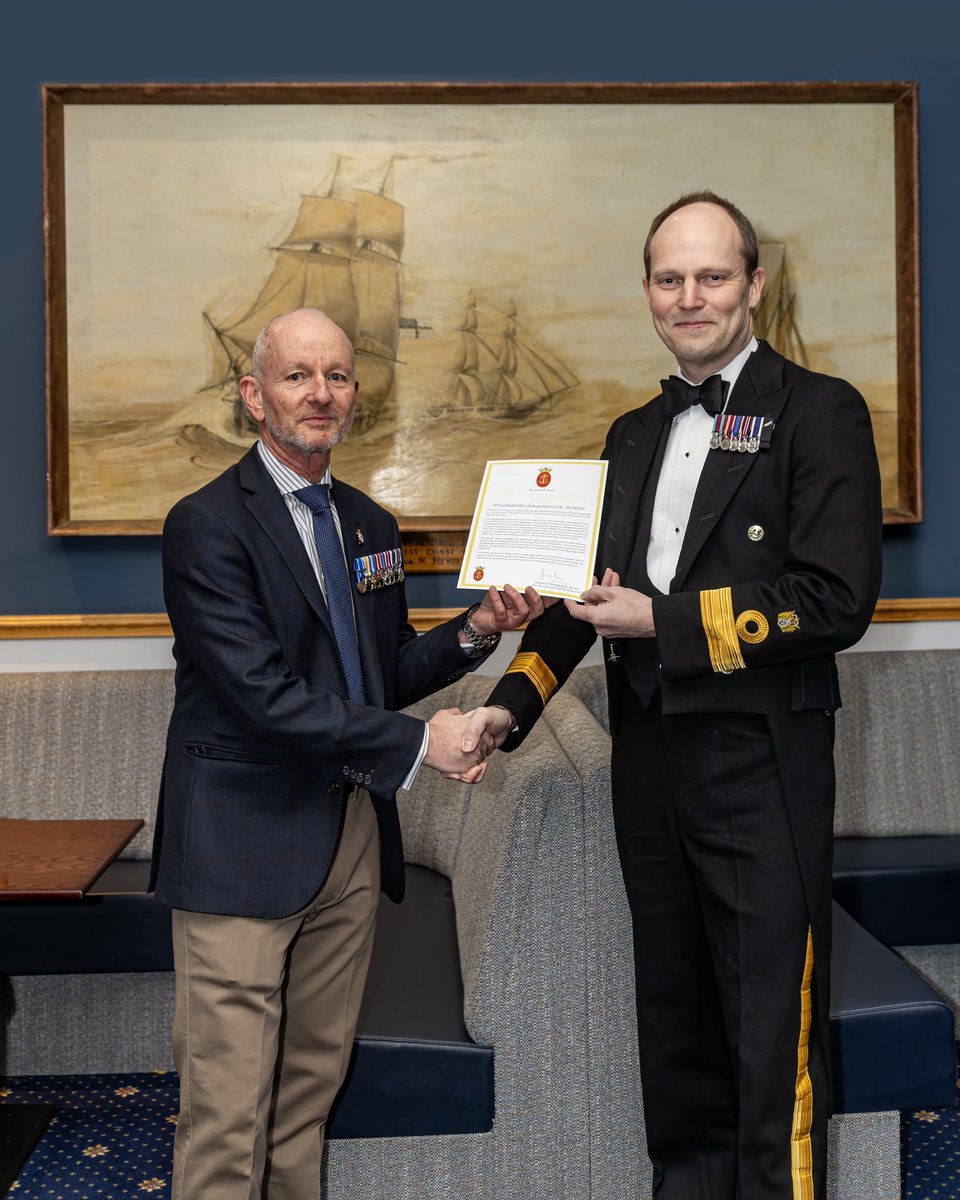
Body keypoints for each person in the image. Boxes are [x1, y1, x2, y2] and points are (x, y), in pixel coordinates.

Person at [465, 192, 883, 1199]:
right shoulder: (633, 432)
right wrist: (507, 707)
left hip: (760, 761)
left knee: (764, 1031)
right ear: (648, 290)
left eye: (711, 276)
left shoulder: (819, 413)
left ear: (754, 285)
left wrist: (670, 623)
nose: (689, 297)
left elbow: (835, 601)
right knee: (677, 1026)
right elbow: (585, 602)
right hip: (649, 766)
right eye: (669, 278)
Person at [150, 307, 541, 1200]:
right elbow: (261, 696)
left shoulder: (369, 524)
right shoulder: (205, 526)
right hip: (241, 847)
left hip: (351, 844)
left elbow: (381, 671)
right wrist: (418, 746)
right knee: (226, 1109)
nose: (319, 393)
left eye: (337, 376)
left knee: (307, 1097)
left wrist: (477, 628)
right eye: (297, 375)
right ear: (255, 395)